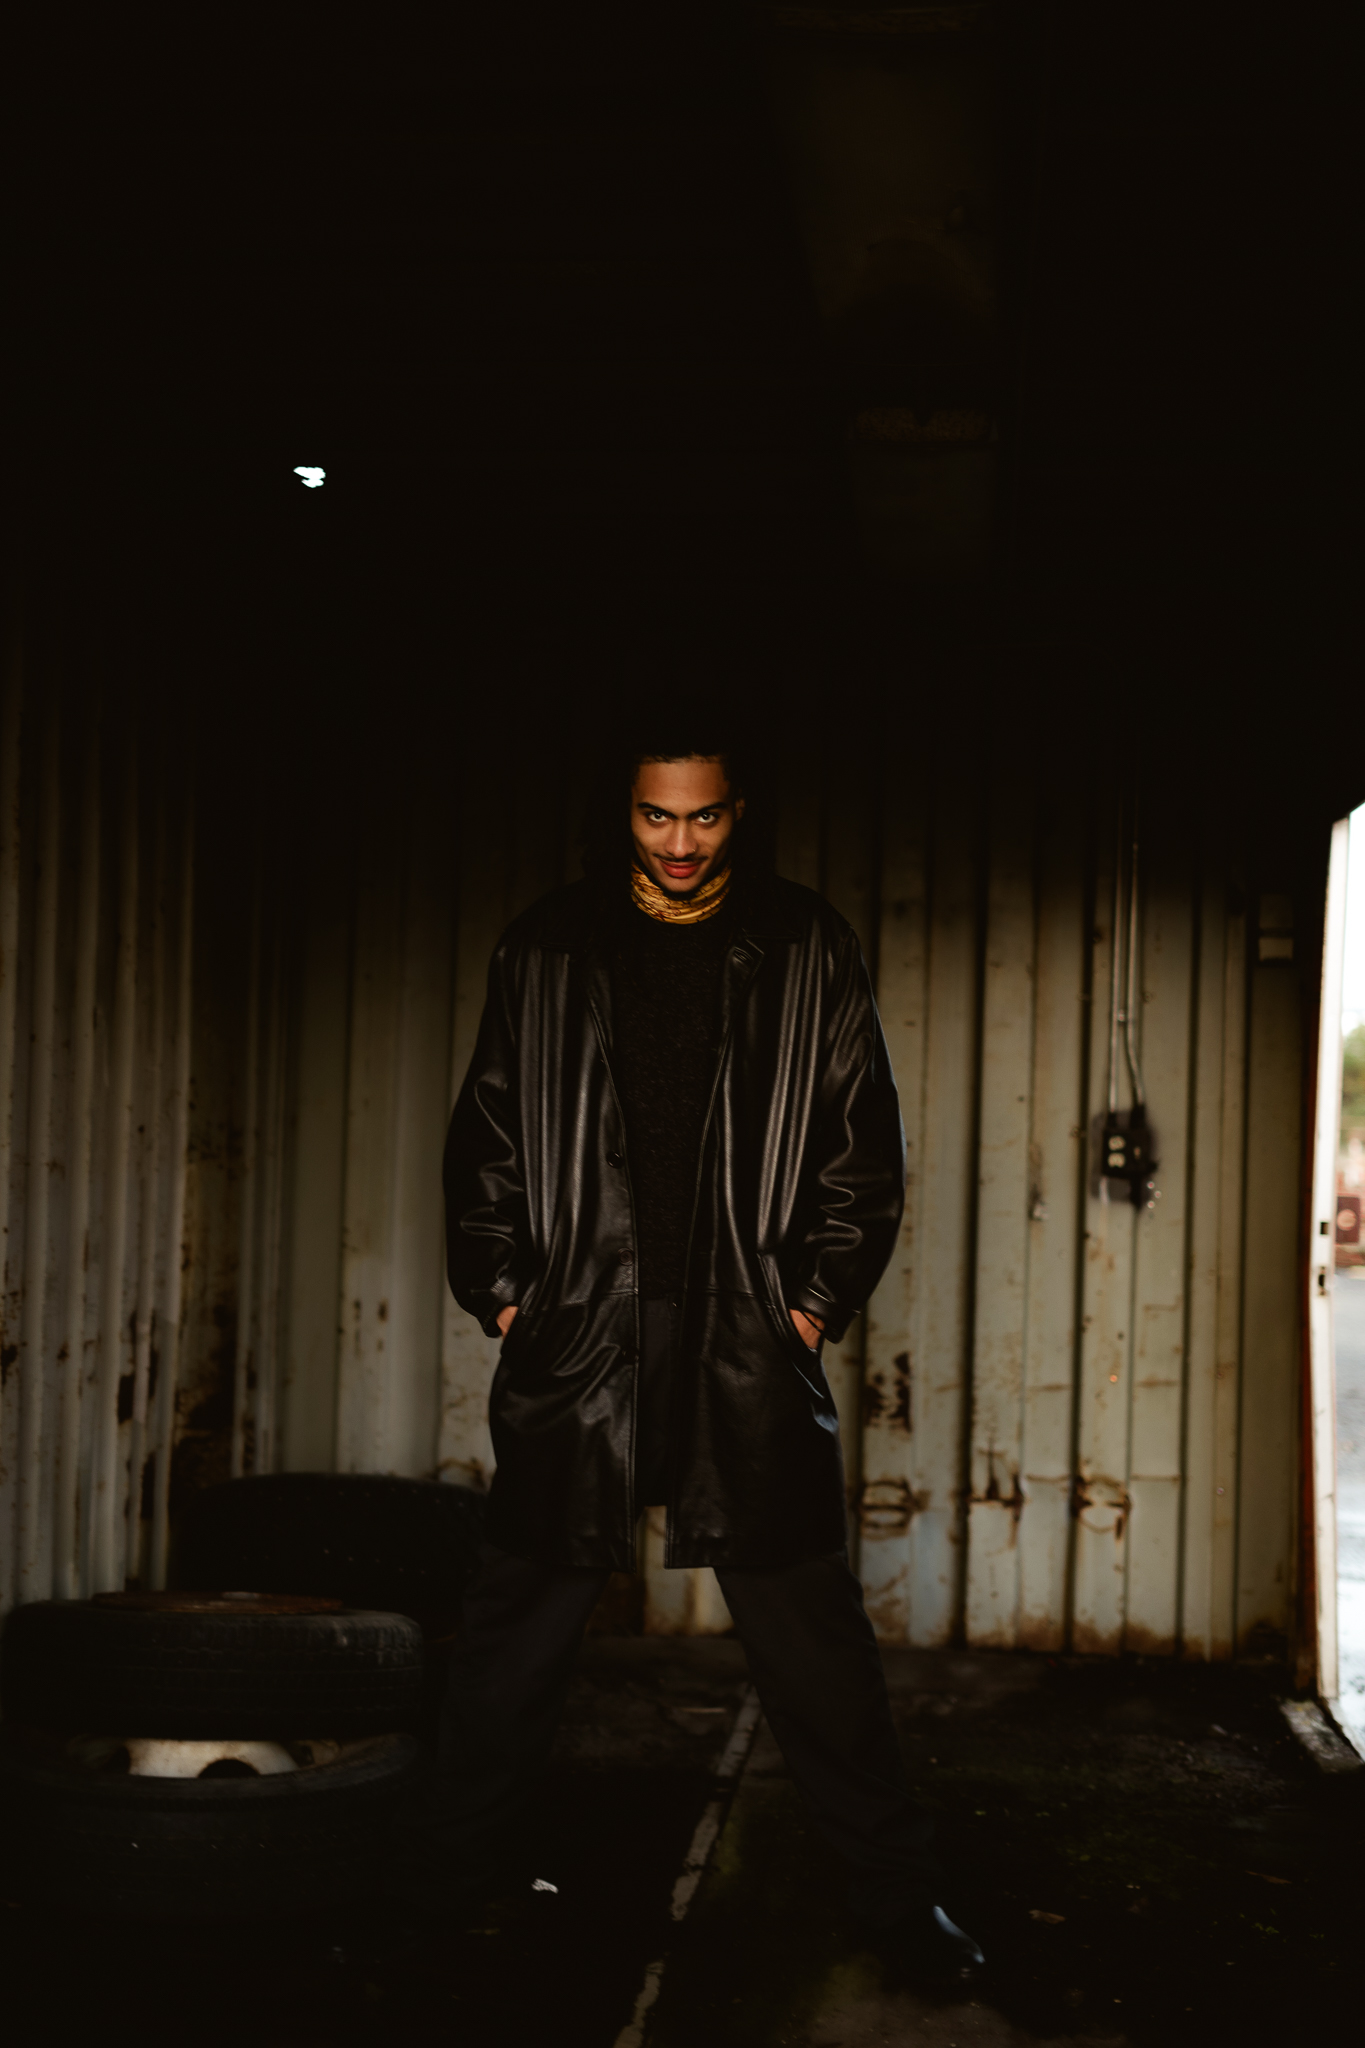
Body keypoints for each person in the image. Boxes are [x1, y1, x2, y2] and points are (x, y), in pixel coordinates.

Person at [435, 729, 983, 1978]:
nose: (679, 844)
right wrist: (511, 1298)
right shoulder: (548, 945)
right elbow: (488, 1137)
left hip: (744, 1328)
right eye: (656, 816)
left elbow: (862, 1144)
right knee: (518, 1624)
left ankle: (898, 1902)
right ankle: (450, 1879)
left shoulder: (804, 943)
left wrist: (809, 1306)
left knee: (811, 1635)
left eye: (704, 817)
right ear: (620, 812)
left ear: (741, 812)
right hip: (581, 1324)